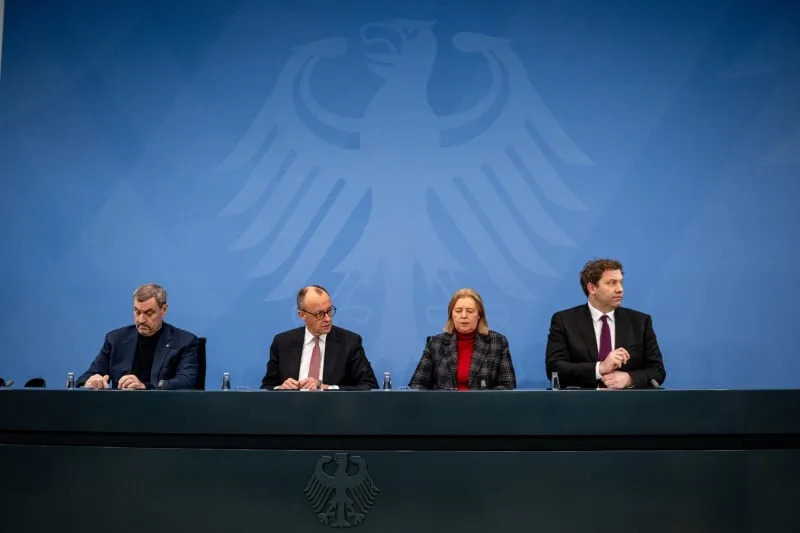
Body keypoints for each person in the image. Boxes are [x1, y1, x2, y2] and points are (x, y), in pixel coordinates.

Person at [545, 259, 666, 389]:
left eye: (621, 283)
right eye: (612, 283)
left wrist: (629, 378)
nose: (620, 289)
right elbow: (554, 369)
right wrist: (600, 368)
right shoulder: (565, 321)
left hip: (629, 404)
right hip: (581, 404)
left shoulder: (640, 322)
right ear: (592, 288)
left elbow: (657, 371)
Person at [77, 284, 199, 390]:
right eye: (137, 312)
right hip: (120, 411)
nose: (141, 320)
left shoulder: (184, 341)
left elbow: (186, 381)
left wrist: (145, 387)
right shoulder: (116, 339)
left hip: (164, 410)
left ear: (164, 310)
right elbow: (89, 374)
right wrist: (92, 380)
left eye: (149, 313)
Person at [260, 285, 378, 390]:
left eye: (329, 311)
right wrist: (280, 388)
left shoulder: (350, 342)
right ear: (302, 315)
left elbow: (369, 385)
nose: (328, 318)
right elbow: (267, 387)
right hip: (292, 410)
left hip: (335, 411)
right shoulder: (282, 342)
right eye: (320, 314)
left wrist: (327, 388)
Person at [409, 288, 516, 390]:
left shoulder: (497, 342)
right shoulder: (436, 344)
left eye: (470, 311)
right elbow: (418, 385)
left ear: (479, 315)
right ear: (451, 315)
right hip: (443, 407)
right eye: (458, 311)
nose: (464, 316)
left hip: (483, 407)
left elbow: (507, 385)